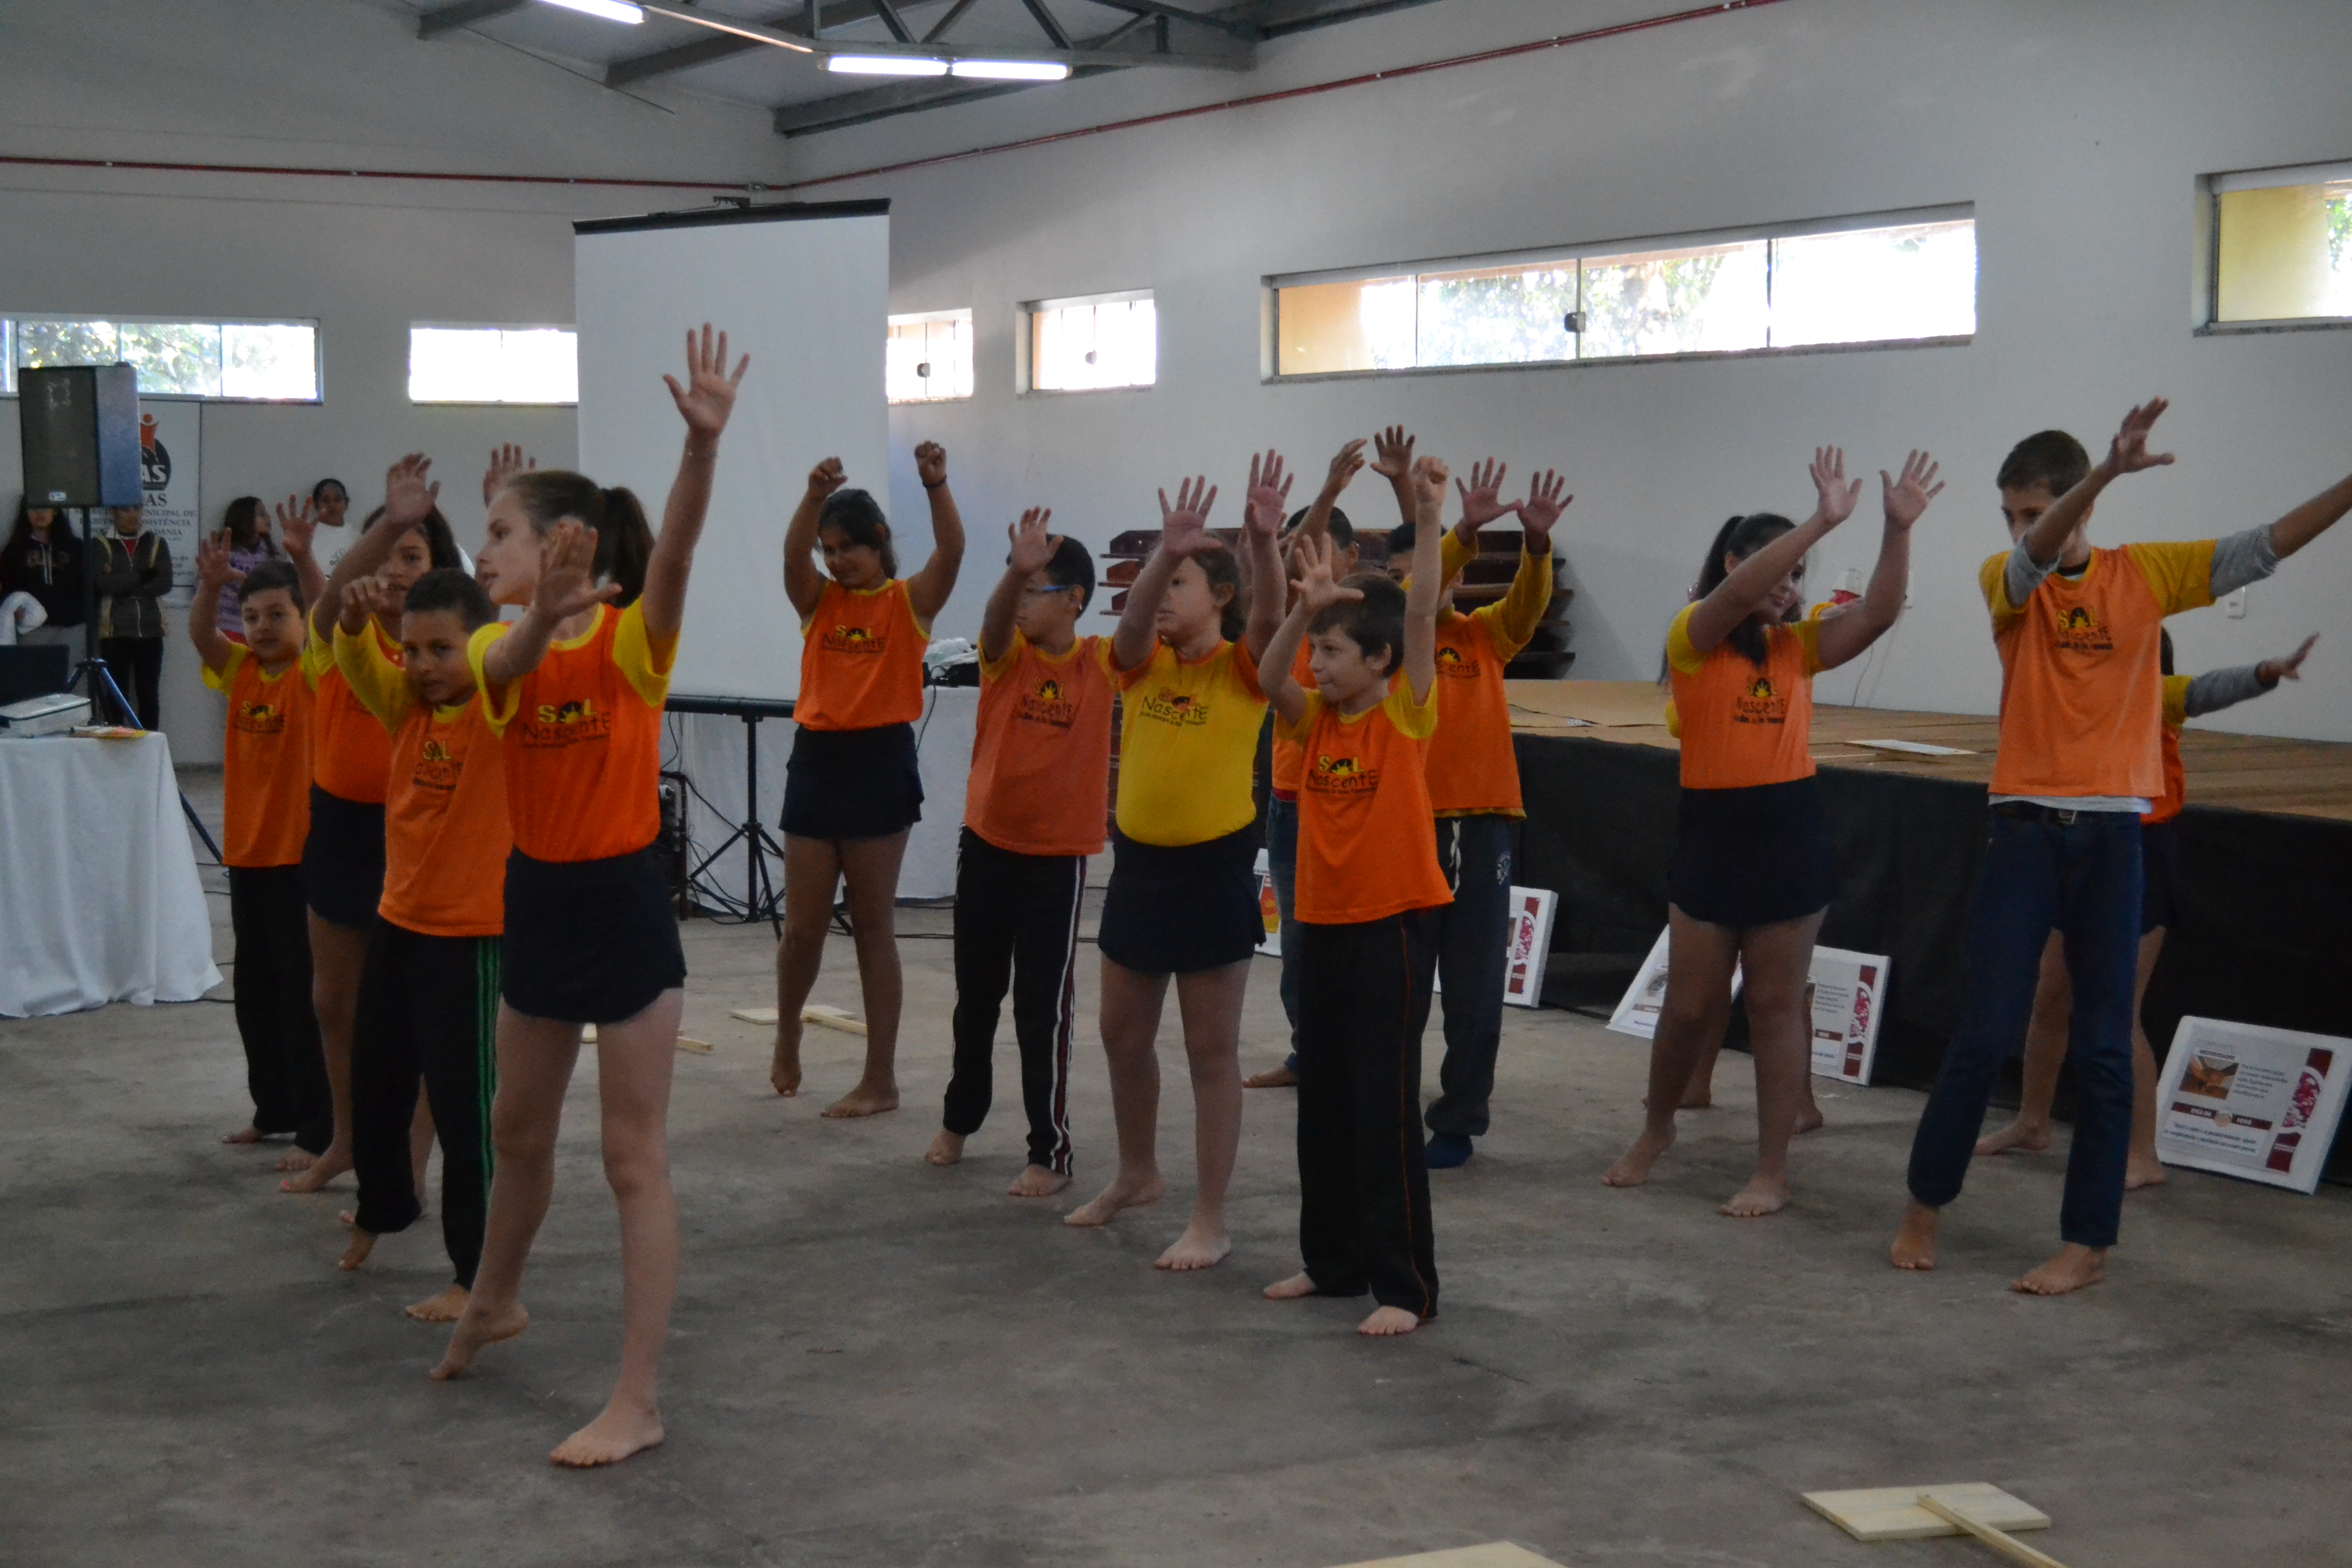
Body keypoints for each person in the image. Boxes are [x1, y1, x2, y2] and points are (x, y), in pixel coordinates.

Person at [1895, 403, 2352, 1294]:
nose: (2019, 528)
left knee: (2105, 1044)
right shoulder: (2007, 580)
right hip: (2024, 829)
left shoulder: (2145, 575)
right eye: (2009, 513)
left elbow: (2268, 544)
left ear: (2080, 506)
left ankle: (2087, 1242)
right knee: (1985, 1028)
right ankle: (1924, 1201)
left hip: (2112, 837)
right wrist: (2102, 472)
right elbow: (2032, 561)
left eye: (2034, 510)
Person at [430, 325, 748, 1471]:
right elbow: (508, 666)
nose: (484, 550)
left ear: (563, 541)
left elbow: (677, 558)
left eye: (499, 532)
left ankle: (637, 1398)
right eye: (485, 534)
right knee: (517, 1133)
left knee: (630, 1158)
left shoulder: (627, 646)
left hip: (620, 908)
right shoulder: (494, 652)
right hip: (539, 903)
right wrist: (536, 614)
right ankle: (496, 1297)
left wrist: (700, 449)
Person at [1604, 448, 1942, 1217]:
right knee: (1689, 1006)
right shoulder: (1694, 638)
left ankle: (1771, 1169)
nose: (1789, 587)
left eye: (1798, 577)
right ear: (1734, 564)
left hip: (1788, 834)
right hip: (1712, 837)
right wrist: (1819, 522)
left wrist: (1896, 530)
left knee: (1775, 1007)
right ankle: (1657, 1129)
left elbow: (1879, 613)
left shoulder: (1798, 647)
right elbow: (1734, 597)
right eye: (1777, 572)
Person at [1976, 629, 2317, 1189]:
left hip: (2136, 853)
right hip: (2074, 848)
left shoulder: (2156, 699)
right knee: (2050, 997)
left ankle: (2142, 1154)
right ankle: (2033, 1122)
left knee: (2117, 1014)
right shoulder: (2075, 699)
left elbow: (2208, 690)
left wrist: (2266, 671)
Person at [1064, 454, 1286, 1270]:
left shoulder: (1244, 669)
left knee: (1209, 1052)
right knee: (1122, 1035)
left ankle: (1210, 1217)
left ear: (1221, 597)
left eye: (1182, 585)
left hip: (1212, 874)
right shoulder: (1141, 664)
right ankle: (1138, 1173)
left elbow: (1271, 617)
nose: (1161, 600)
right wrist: (1165, 553)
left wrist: (1264, 543)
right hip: (1140, 872)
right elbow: (1130, 628)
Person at [1257, 458, 1452, 1337]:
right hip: (1323, 924)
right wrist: (1306, 611)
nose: (1317, 664)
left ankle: (1404, 1286)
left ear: (1378, 661)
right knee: (1325, 1102)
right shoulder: (1314, 723)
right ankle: (1330, 1261)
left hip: (1393, 928)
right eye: (1318, 651)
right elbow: (1269, 678)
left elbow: (1420, 613)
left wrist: (1428, 513)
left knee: (1382, 1105)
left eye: (1333, 652)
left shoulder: (1404, 714)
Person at [331, 553, 512, 1326]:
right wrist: (351, 623)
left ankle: (477, 1275)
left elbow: (515, 657)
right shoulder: (405, 706)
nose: (424, 665)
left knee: (466, 1111)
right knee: (376, 1082)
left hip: (468, 936)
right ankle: (386, 1205)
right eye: (411, 649)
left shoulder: (498, 710)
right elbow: (356, 662)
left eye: (443, 649)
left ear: (482, 646)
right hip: (399, 923)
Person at [769, 444, 966, 1117]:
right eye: (829, 550)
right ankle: (788, 1032)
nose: (836, 561)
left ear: (879, 539)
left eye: (848, 548)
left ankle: (880, 1078)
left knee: (873, 925)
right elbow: (792, 560)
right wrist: (810, 497)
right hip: (818, 760)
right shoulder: (818, 601)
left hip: (880, 762)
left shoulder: (908, 604)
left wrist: (936, 485)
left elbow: (952, 552)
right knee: (803, 928)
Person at [276, 491, 462, 1194]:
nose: (395, 570)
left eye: (412, 557)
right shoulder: (339, 636)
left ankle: (409, 1160)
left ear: (437, 569)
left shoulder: (441, 655)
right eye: (384, 556)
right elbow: (327, 606)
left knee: (416, 1011)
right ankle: (347, 1141)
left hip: (415, 834)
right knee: (334, 1001)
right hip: (339, 829)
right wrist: (388, 527)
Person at [926, 508, 1112, 1197]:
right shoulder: (1006, 658)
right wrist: (1015, 575)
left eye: (1037, 591)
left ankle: (1049, 1149)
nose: (1023, 603)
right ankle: (959, 1117)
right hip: (986, 846)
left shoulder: (1099, 665)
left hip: (1056, 860)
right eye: (1019, 589)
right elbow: (997, 622)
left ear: (1074, 600)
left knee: (1043, 1007)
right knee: (976, 998)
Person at [1414, 458, 1570, 1168]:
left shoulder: (1483, 636)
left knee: (1475, 989)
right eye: (1428, 569)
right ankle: (1386, 1107)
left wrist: (1535, 546)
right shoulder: (1396, 642)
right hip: (1412, 827)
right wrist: (1459, 532)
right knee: (1402, 983)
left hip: (1484, 827)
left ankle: (1459, 1119)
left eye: (1447, 570)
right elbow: (1415, 598)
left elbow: (1527, 609)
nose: (1439, 580)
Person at [188, 539, 329, 1165]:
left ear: (303, 619)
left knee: (303, 999)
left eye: (278, 615)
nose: (263, 628)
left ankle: (317, 1126)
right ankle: (272, 1109)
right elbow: (203, 638)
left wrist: (307, 565)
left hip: (299, 860)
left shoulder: (314, 673)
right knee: (256, 995)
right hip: (247, 858)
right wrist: (209, 588)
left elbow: (328, 621)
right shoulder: (241, 670)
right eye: (251, 617)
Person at [1245, 435, 1366, 1093]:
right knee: (1297, 939)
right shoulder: (1295, 618)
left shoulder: (1370, 619)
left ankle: (1356, 1056)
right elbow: (1294, 551)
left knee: (1357, 940)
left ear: (1351, 558)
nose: (1310, 562)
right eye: (1301, 555)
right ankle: (1308, 1055)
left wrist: (1330, 494)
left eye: (1324, 551)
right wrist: (1322, 495)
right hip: (1290, 800)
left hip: (1350, 798)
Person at [91, 505, 170, 728]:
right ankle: (115, 745)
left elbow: (164, 583)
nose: (133, 515)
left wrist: (123, 584)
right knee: (115, 695)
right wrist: (144, 576)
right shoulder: (100, 544)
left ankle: (150, 745)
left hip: (150, 629)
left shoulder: (157, 543)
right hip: (114, 630)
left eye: (137, 509)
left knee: (148, 695)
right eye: (126, 510)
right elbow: (104, 584)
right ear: (113, 512)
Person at [2, 499, 86, 648]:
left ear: (55, 511)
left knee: (72, 664)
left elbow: (86, 586)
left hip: (72, 627)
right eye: (33, 508)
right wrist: (14, 609)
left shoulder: (75, 547)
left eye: (45, 507)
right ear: (25, 513)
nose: (40, 513)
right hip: (32, 628)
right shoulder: (15, 550)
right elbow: (7, 587)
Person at [213, 496, 281, 643]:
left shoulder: (270, 551)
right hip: (229, 626)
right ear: (245, 519)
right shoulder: (226, 551)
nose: (269, 518)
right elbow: (206, 585)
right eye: (262, 514)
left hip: (262, 628)